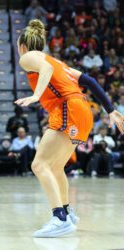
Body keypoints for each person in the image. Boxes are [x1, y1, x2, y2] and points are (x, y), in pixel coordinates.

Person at [14, 19, 124, 237]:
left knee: (39, 164)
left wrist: (36, 95)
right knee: (55, 167)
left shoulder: (28, 57)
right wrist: (110, 109)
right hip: (83, 111)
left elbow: (44, 68)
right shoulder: (59, 63)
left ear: (22, 46)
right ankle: (66, 212)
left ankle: (59, 218)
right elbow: (90, 80)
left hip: (69, 108)